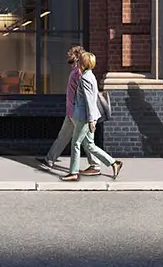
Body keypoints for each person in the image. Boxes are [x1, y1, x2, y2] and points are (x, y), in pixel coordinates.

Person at [61, 50, 123, 183]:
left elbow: (90, 100)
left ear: (83, 63)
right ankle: (113, 163)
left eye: (80, 60)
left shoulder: (85, 78)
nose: (78, 62)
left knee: (75, 143)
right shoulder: (89, 75)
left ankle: (73, 173)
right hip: (86, 116)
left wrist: (90, 121)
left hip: (85, 117)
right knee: (90, 145)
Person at [38, 45, 83, 172]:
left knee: (85, 141)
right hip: (71, 111)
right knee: (63, 136)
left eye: (71, 58)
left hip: (76, 111)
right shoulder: (75, 70)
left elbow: (83, 93)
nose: (68, 61)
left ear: (78, 57)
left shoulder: (79, 72)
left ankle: (97, 164)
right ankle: (50, 159)